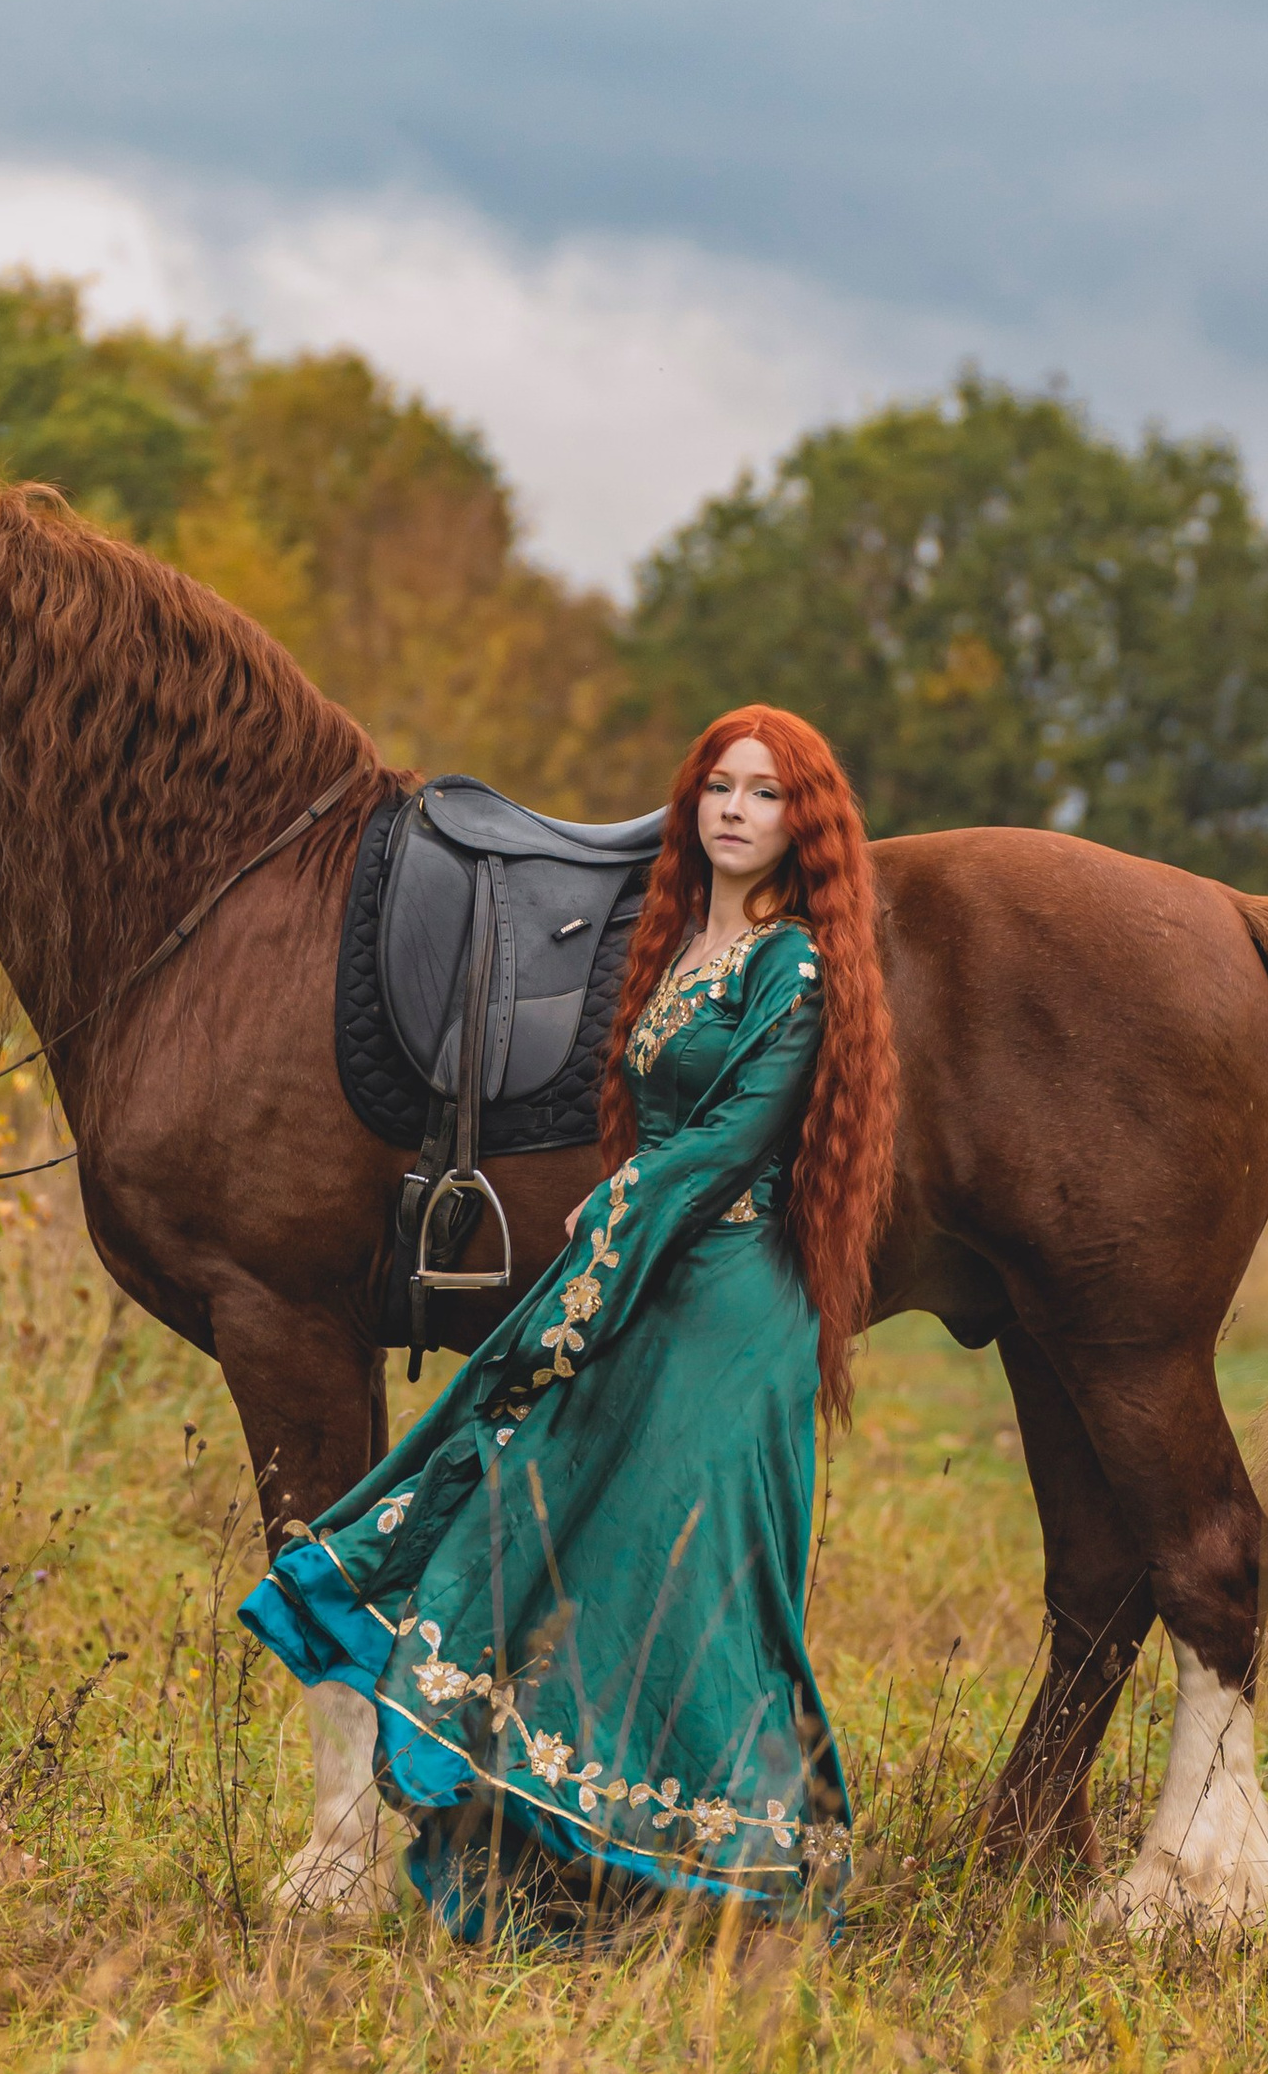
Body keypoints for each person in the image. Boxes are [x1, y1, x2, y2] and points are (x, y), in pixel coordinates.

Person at [240, 706, 900, 1941]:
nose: (736, 812)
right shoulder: (678, 954)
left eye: (765, 795)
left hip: (725, 1302)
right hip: (650, 1275)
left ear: (801, 822)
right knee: (592, 1554)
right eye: (719, 787)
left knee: (701, 1570)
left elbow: (723, 1146)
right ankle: (587, 1863)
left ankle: (751, 1880)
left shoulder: (791, 968)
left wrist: (597, 1239)